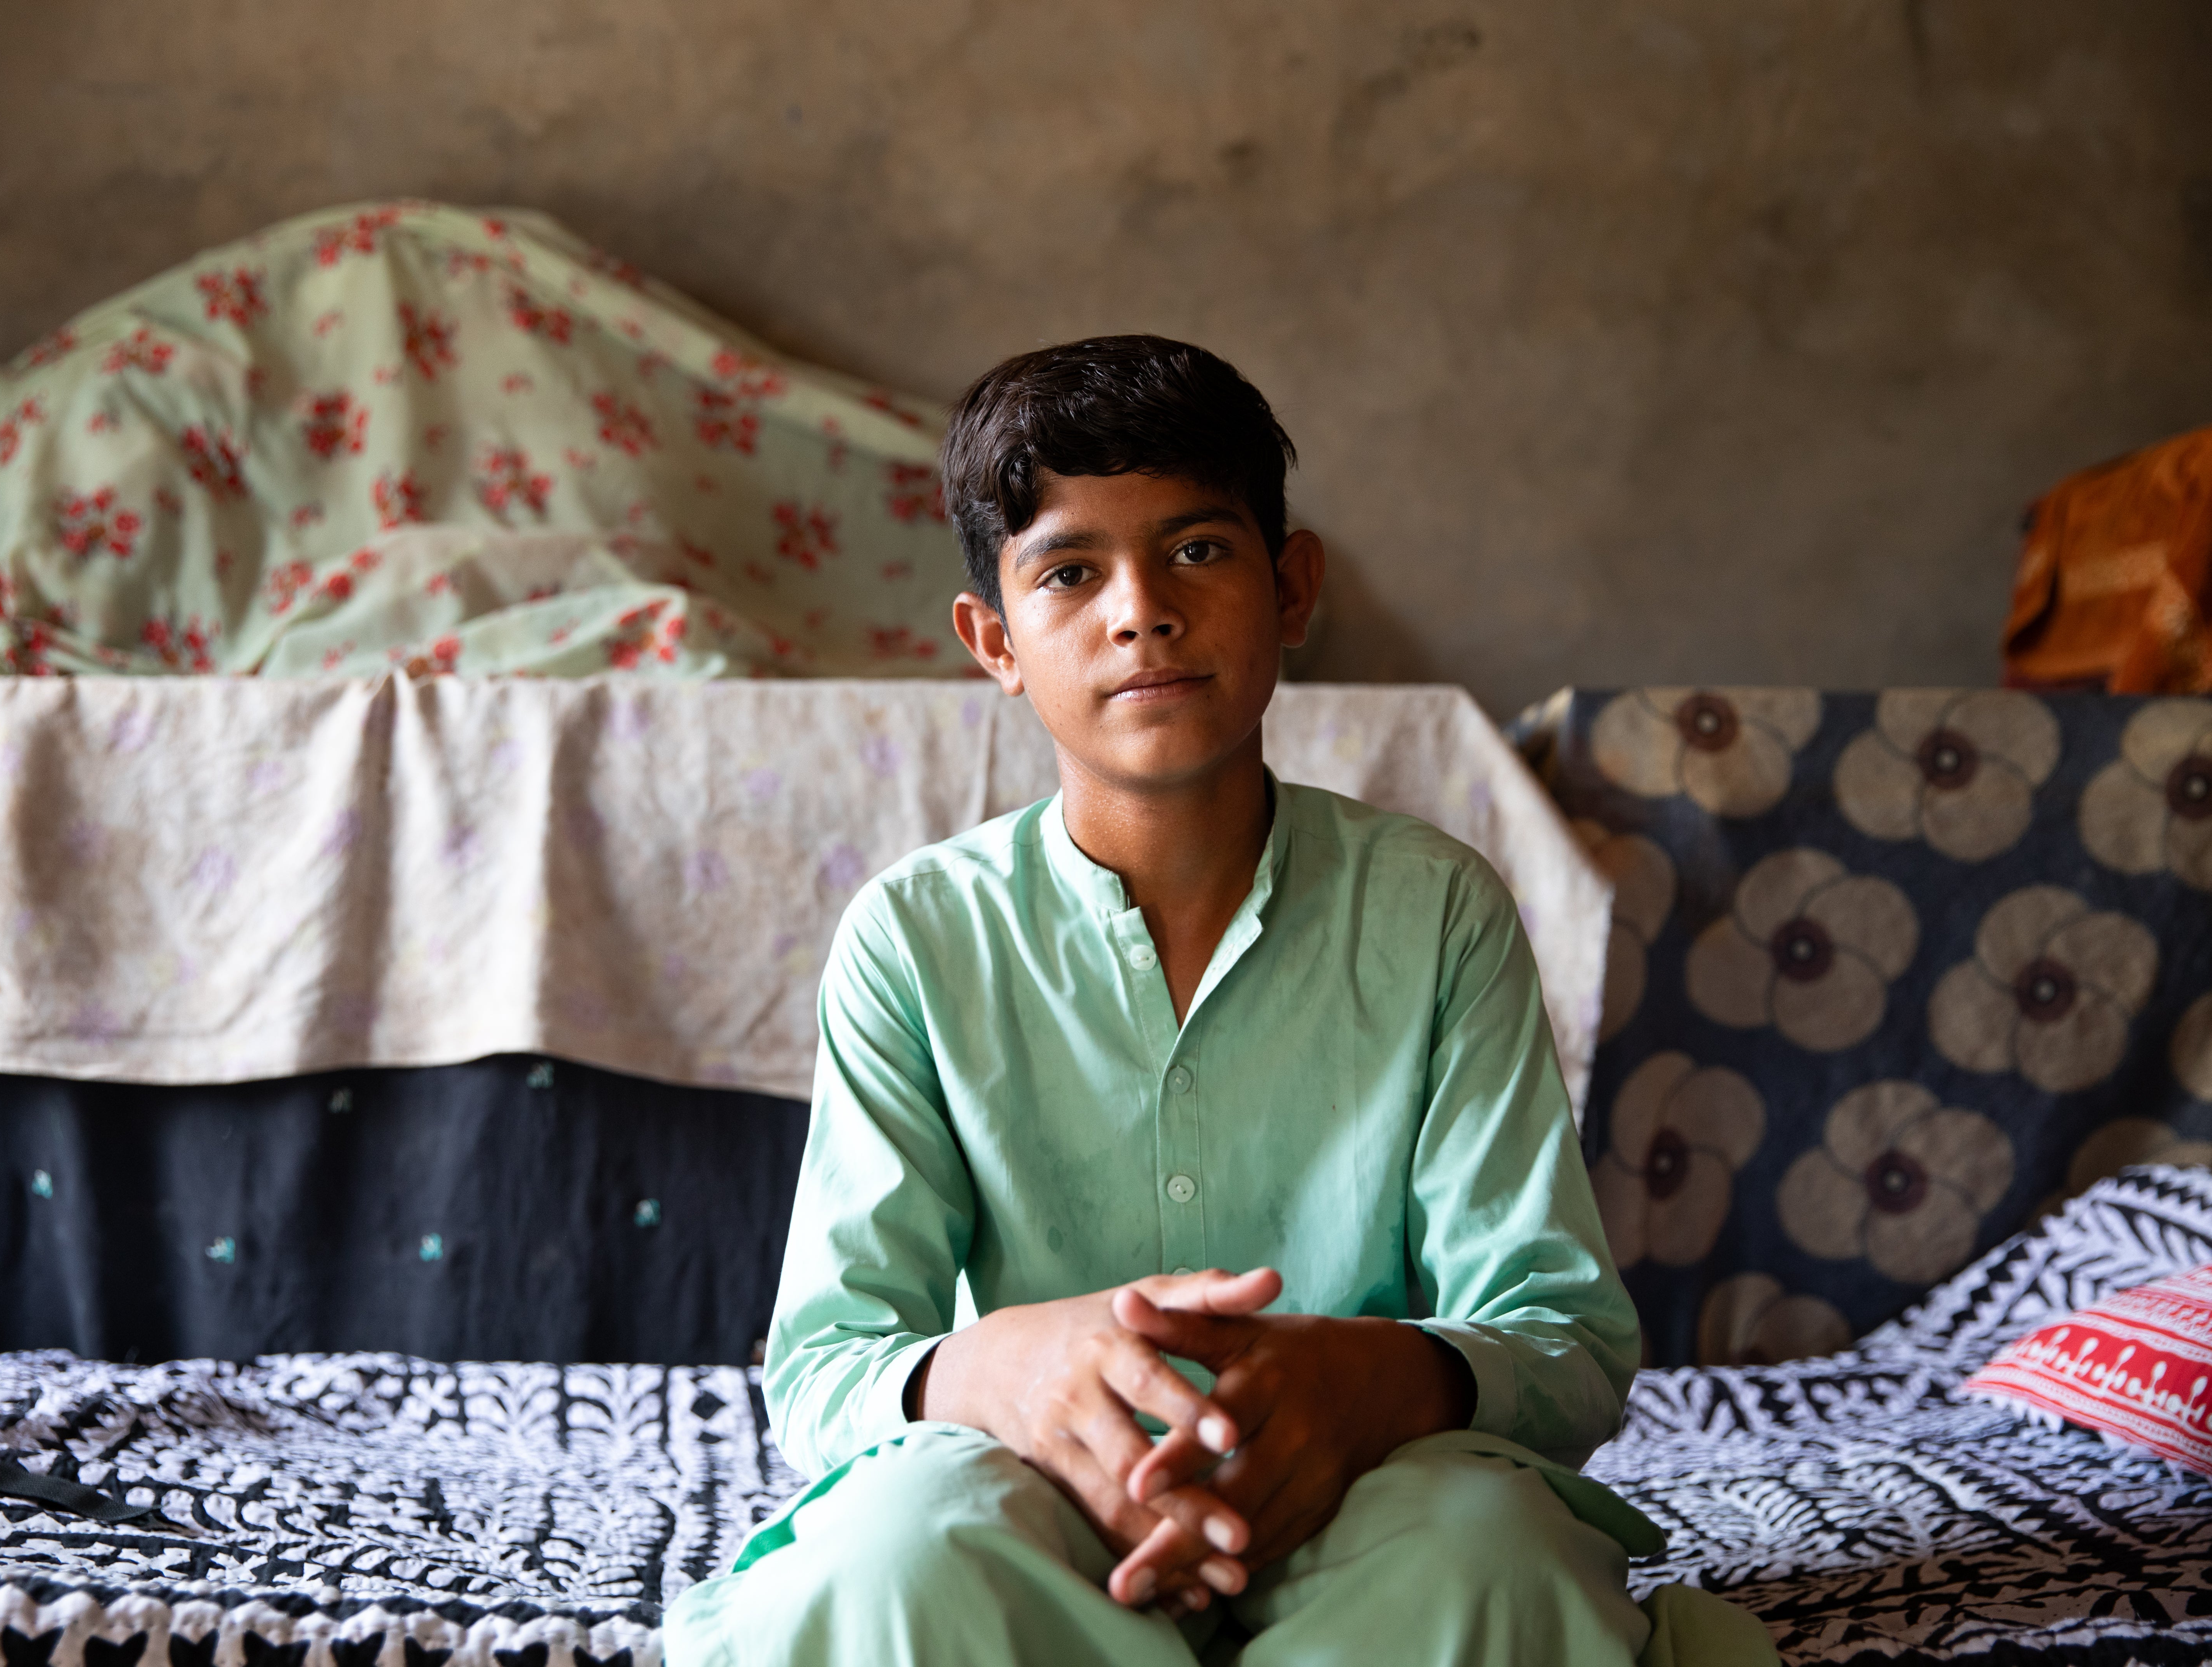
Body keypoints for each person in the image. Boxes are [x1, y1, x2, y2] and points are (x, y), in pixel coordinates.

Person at [665, 337, 1777, 1665]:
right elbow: (830, 1360)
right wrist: (999, 1368)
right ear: (994, 641)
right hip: (1037, 1500)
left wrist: (1378, 1378)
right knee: (896, 1562)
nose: (1142, 608)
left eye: (1198, 550)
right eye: (1069, 571)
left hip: (1366, 1495)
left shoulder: (1434, 913)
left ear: (1292, 586)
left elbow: (1567, 1339)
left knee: (1492, 1558)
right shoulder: (915, 939)